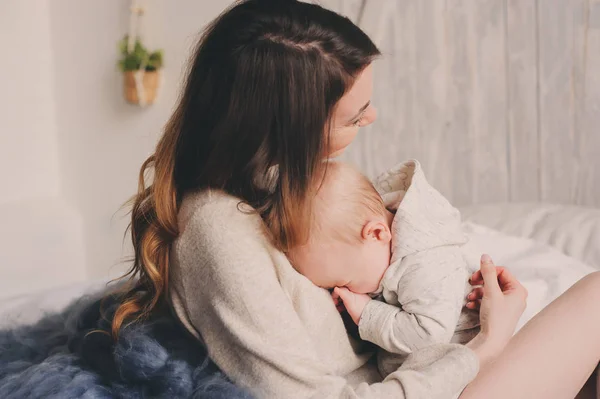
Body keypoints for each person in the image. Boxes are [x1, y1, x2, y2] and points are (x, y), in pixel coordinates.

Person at [112, 1, 600, 398]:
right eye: (354, 115)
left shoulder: (276, 184)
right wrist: (487, 346)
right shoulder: (217, 230)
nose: (372, 119)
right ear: (293, 129)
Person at [287, 160, 481, 378]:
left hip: (464, 367)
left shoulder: (425, 263)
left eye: (346, 281)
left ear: (377, 234)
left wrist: (367, 313)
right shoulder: (378, 255)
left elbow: (428, 335)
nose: (343, 290)